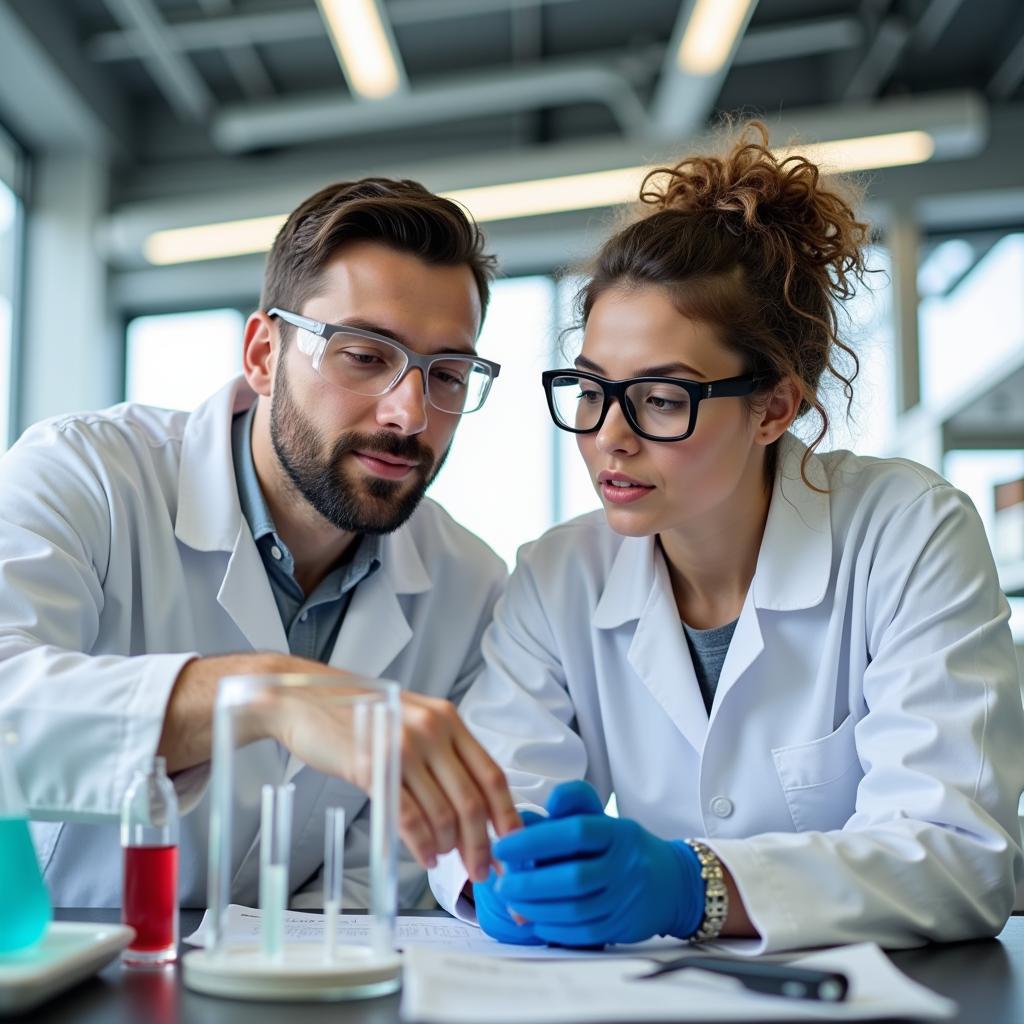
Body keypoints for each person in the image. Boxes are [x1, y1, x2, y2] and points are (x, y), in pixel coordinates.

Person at [429, 124, 1024, 953]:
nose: (610, 437)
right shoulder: (559, 575)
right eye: (591, 390)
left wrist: (691, 887)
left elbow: (958, 852)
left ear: (775, 407)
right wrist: (506, 870)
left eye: (662, 400)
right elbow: (493, 798)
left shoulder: (907, 533)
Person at [0, 177, 522, 910]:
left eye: (447, 373)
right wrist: (260, 697)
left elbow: (393, 874)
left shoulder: (468, 585)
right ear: (263, 355)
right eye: (365, 355)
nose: (409, 413)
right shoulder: (84, 474)